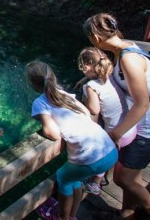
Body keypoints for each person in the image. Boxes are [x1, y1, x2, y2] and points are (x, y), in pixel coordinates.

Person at [83, 13, 150, 219]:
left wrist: (115, 134)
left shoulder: (129, 59)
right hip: (137, 127)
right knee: (132, 177)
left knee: (122, 179)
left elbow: (142, 104)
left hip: (145, 130)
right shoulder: (125, 49)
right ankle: (127, 213)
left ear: (96, 38)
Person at [26, 60, 118, 220]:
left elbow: (52, 133)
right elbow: (86, 112)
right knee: (76, 180)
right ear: (53, 77)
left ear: (33, 84)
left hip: (92, 160)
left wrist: (53, 124)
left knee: (63, 177)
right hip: (110, 151)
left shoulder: (40, 103)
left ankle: (63, 217)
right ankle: (72, 215)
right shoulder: (65, 95)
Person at [77, 47, 137, 195]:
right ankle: (104, 172)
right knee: (110, 154)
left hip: (117, 134)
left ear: (88, 66)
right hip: (131, 129)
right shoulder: (110, 76)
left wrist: (80, 103)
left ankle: (95, 184)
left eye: (83, 69)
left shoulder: (91, 86)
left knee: (100, 154)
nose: (82, 71)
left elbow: (94, 110)